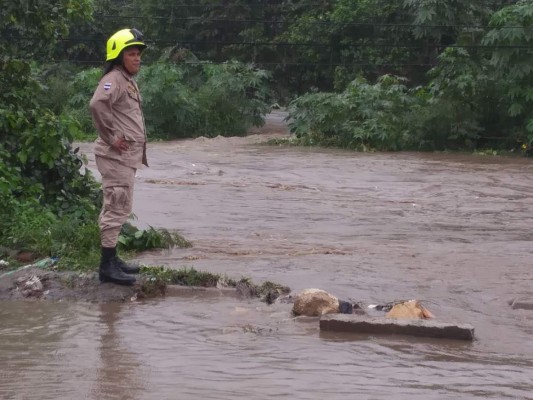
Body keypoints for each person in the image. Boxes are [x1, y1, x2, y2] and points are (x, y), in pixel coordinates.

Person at [89, 28, 148, 285]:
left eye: (138, 54)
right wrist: (112, 137)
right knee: (116, 207)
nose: (137, 58)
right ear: (118, 55)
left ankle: (113, 260)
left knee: (121, 207)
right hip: (116, 157)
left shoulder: (126, 80)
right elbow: (97, 104)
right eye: (132, 54)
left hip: (125, 158)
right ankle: (107, 268)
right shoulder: (113, 79)